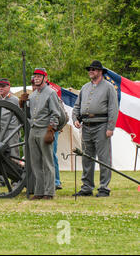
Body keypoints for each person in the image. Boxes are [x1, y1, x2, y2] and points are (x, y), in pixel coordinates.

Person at [72, 60, 118, 197]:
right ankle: (87, 187)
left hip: (102, 126)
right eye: (89, 69)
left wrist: (110, 127)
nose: (90, 71)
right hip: (86, 126)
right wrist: (75, 119)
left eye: (93, 69)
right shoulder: (85, 87)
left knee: (104, 158)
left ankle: (104, 187)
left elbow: (113, 109)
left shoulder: (109, 87)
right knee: (86, 158)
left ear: (100, 72)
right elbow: (77, 107)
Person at [19, 68, 61, 200]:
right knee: (35, 163)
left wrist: (51, 129)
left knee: (48, 162)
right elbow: (28, 114)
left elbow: (56, 113)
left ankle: (49, 192)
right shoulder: (32, 95)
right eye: (35, 76)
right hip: (34, 129)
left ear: (45, 78)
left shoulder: (51, 93)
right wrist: (22, 103)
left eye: (39, 76)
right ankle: (39, 191)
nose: (36, 78)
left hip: (44, 129)